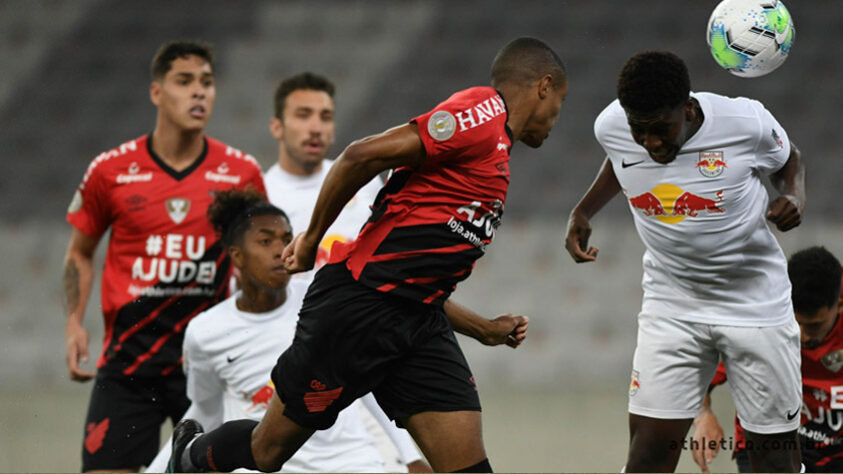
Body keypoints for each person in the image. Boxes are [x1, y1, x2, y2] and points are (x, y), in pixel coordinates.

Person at [167, 36, 567, 473]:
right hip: (357, 309)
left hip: (419, 323)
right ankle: (189, 459)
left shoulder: (498, 153)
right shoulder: (482, 113)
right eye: (559, 105)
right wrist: (311, 238)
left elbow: (418, 277)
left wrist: (484, 329)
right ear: (544, 86)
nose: (554, 119)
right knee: (267, 452)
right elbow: (360, 155)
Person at [564, 50, 806, 473]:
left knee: (774, 462)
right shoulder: (613, 126)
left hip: (755, 304)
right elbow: (620, 160)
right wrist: (583, 210)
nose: (651, 143)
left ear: (689, 109)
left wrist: (794, 197)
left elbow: (791, 162)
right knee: (647, 457)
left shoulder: (745, 122)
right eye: (640, 131)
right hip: (671, 305)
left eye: (661, 129)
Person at [63, 40, 265, 472]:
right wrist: (74, 322)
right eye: (185, 81)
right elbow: (80, 252)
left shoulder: (241, 173)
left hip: (205, 368)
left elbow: (257, 263)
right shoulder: (110, 170)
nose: (199, 92)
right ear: (157, 92)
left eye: (207, 83)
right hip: (128, 367)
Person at [145, 190, 429, 473]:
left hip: (353, 462)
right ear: (237, 255)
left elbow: (365, 384)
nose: (280, 251)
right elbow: (205, 410)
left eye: (286, 238)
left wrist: (409, 456)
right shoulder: (205, 332)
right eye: (265, 241)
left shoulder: (325, 302)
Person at [262, 71, 426, 472]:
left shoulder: (363, 184)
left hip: (363, 372)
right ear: (277, 126)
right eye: (303, 114)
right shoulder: (260, 198)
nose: (316, 126)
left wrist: (411, 452)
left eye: (325, 115)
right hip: (288, 377)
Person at [691, 246, 843, 473]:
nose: (801, 336)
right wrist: (703, 416)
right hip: (767, 442)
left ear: (839, 305)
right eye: (795, 322)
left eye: (813, 326)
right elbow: (698, 377)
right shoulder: (759, 319)